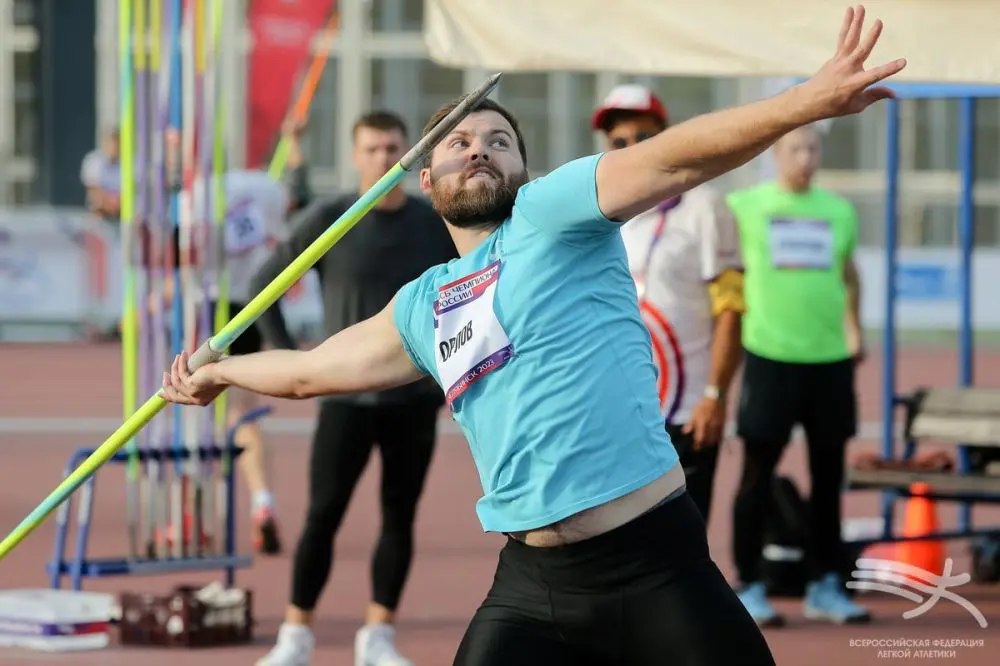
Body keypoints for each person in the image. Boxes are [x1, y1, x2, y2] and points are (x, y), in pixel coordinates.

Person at [160, 7, 903, 663]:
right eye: (456, 141)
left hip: (654, 563)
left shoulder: (553, 214)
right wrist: (220, 372)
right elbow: (312, 370)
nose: (478, 148)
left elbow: (676, 156)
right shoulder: (424, 303)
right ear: (425, 180)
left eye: (499, 140)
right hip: (534, 585)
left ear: (524, 169)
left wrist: (803, 103)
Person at [250, 111, 457, 666]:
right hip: (345, 400)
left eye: (393, 147)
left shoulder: (434, 223)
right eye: (372, 149)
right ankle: (295, 637)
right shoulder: (331, 218)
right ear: (354, 155)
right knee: (323, 515)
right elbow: (264, 284)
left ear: (410, 154)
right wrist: (295, 359)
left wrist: (448, 370)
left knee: (399, 516)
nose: (384, 158)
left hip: (413, 399)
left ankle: (377, 636)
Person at [725, 121, 870, 627]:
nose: (805, 158)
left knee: (829, 477)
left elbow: (850, 275)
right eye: (795, 149)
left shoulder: (838, 211)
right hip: (770, 356)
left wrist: (855, 329)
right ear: (776, 154)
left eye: (812, 149)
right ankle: (749, 583)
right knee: (756, 474)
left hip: (829, 361)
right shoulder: (744, 206)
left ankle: (824, 584)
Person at [592, 83, 745, 521]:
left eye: (644, 137)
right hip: (617, 412)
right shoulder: (602, 215)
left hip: (686, 411)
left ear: (665, 137)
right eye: (619, 142)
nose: (631, 149)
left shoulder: (704, 207)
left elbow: (731, 309)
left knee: (683, 540)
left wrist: (715, 395)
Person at [156, 167, 292, 555]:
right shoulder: (265, 186)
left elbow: (179, 265)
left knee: (193, 416)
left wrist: (157, 300)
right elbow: (287, 223)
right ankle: (262, 501)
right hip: (249, 307)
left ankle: (192, 517)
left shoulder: (188, 201)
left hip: (205, 309)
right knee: (242, 416)